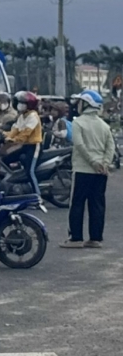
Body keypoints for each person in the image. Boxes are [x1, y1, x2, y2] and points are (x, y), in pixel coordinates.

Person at [61, 90, 115, 249]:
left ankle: (75, 238)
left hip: (83, 170)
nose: (77, 105)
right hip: (101, 172)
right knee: (97, 204)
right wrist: (104, 163)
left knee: (77, 203)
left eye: (80, 102)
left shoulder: (78, 122)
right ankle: (95, 238)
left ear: (86, 104)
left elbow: (79, 144)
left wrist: (92, 162)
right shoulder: (104, 125)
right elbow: (110, 147)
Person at [2, 91, 43, 193]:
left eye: (22, 103)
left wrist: (13, 140)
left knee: (30, 172)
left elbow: (25, 133)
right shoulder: (22, 116)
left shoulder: (33, 116)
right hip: (25, 146)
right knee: (6, 160)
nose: (20, 105)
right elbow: (15, 130)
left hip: (34, 146)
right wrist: (4, 134)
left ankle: (38, 197)